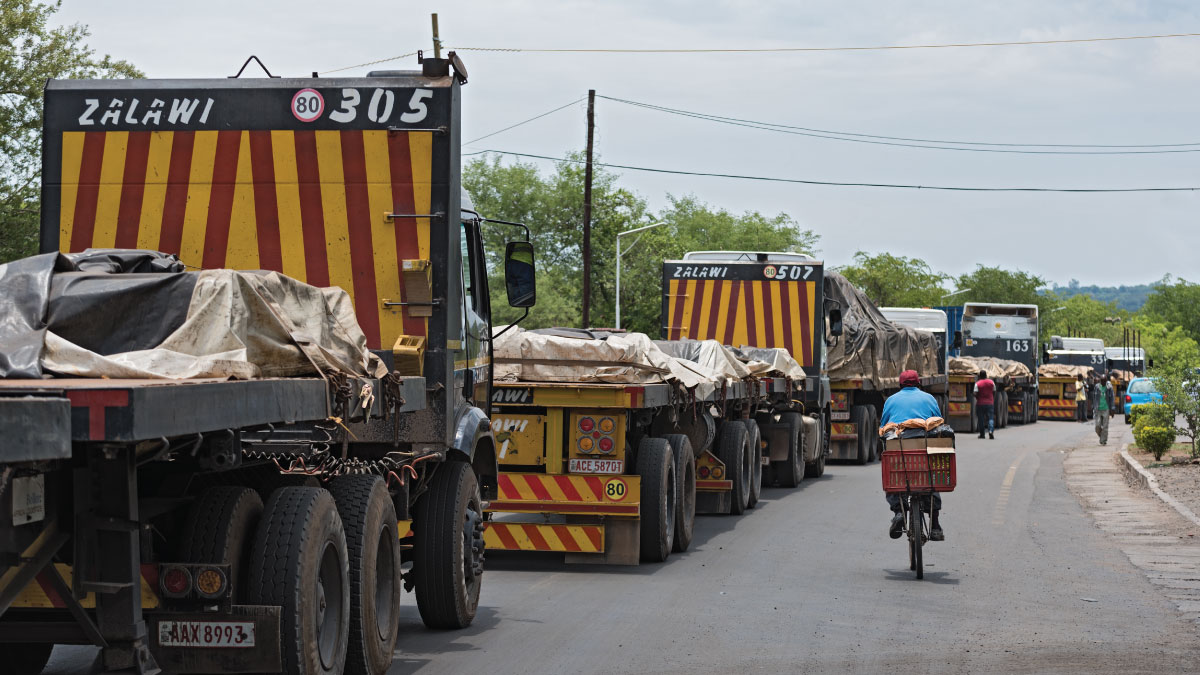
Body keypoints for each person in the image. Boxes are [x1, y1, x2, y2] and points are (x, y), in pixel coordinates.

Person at [879, 370, 945, 542]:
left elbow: (884, 425)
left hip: (899, 447)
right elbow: (938, 421)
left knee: (893, 476)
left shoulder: (891, 400)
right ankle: (935, 525)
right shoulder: (929, 398)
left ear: (900, 385)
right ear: (918, 384)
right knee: (932, 479)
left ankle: (899, 511)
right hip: (924, 449)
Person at [974, 370, 996, 440]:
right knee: (990, 418)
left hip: (980, 403)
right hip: (990, 403)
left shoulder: (977, 383)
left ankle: (982, 434)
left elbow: (975, 393)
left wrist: (977, 397)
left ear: (980, 376)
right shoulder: (991, 382)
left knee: (981, 419)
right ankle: (990, 431)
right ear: (986, 375)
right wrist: (992, 398)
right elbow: (994, 391)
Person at [1094, 373, 1115, 445]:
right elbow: (1094, 398)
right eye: (1102, 381)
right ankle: (1102, 436)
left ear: (1106, 381)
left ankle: (1103, 441)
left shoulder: (1109, 388)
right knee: (1097, 426)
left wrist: (1112, 409)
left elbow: (1112, 398)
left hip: (1106, 409)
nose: (1103, 382)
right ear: (1100, 381)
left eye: (1104, 381)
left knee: (1105, 426)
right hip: (1098, 409)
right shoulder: (1097, 387)